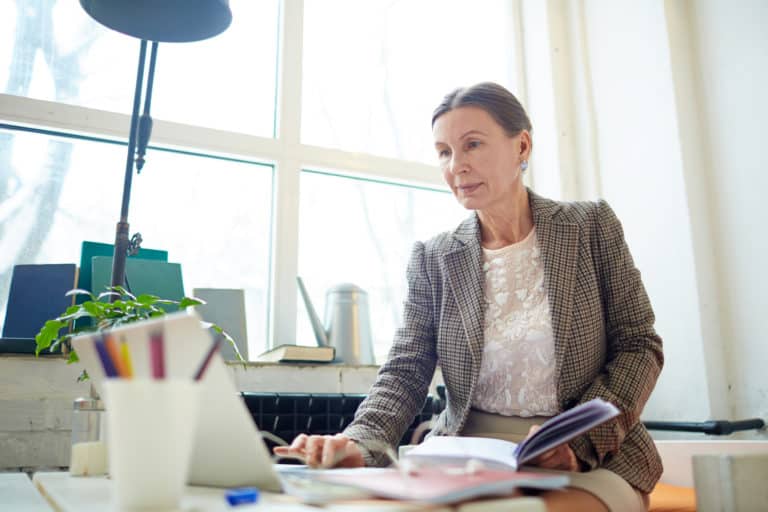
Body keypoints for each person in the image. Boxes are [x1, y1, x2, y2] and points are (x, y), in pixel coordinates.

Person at [274, 82, 664, 512]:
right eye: (444, 152)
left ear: (521, 146)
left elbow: (639, 345)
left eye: (472, 144)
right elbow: (405, 371)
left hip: (589, 456)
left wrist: (581, 441)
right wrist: (357, 442)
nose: (456, 165)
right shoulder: (434, 258)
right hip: (467, 454)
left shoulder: (589, 226)